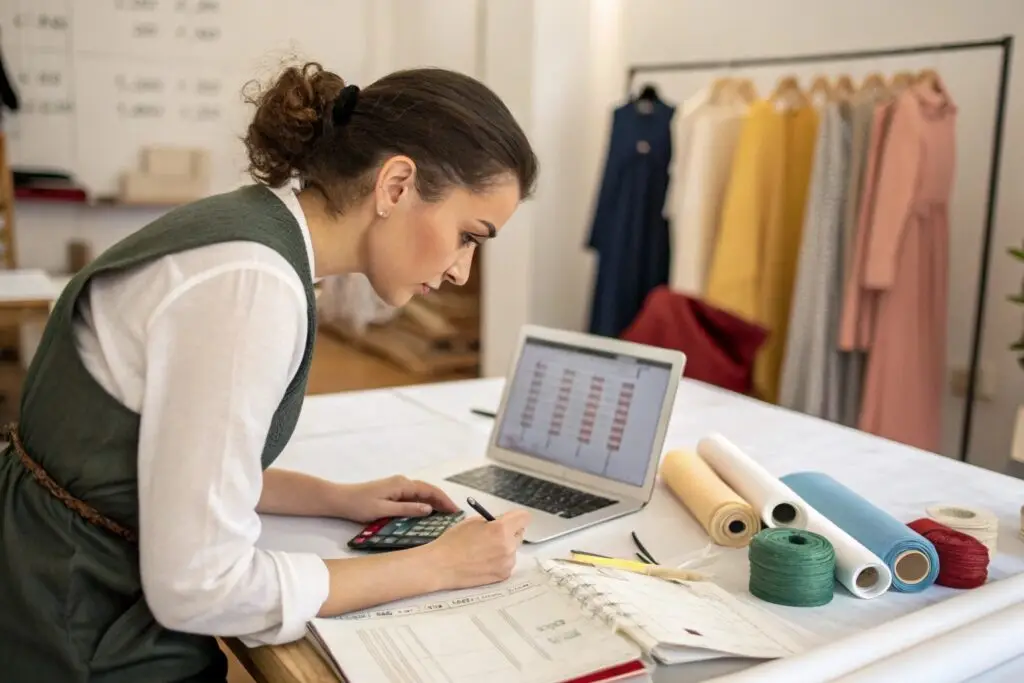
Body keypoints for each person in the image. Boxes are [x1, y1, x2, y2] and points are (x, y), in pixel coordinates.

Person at [0, 62, 538, 682]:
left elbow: (175, 460)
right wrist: (439, 567)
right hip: (73, 622)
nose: (461, 272)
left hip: (51, 568)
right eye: (470, 236)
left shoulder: (252, 231)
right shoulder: (251, 285)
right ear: (395, 185)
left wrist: (335, 498)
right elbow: (201, 586)